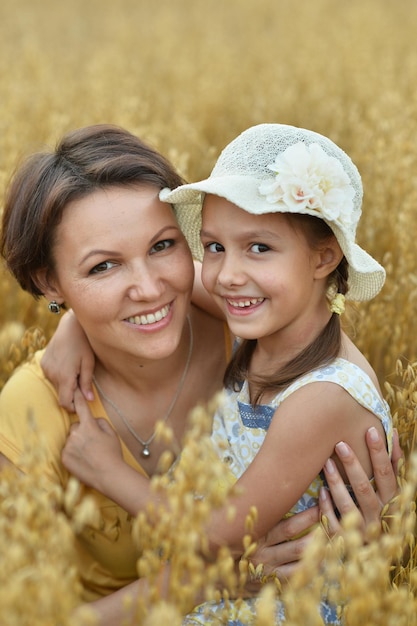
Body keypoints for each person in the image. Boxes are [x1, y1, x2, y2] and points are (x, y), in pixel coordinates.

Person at [56, 124, 394, 624]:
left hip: (275, 603)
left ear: (325, 257)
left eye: (259, 247)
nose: (227, 274)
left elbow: (219, 535)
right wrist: (71, 324)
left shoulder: (321, 396)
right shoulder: (267, 314)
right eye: (213, 246)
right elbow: (138, 287)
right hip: (230, 583)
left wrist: (112, 472)